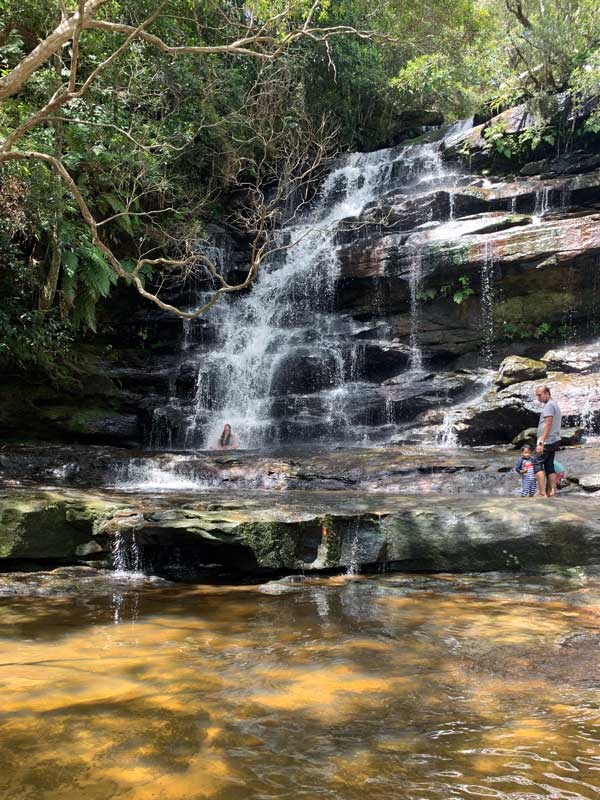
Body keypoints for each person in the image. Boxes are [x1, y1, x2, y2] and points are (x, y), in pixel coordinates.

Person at [534, 385, 562, 498]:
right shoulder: (554, 404)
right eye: (537, 395)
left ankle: (542, 493)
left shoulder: (549, 406)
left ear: (547, 393)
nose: (538, 398)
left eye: (540, 395)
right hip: (554, 439)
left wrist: (541, 441)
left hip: (548, 441)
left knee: (537, 464)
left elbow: (548, 424)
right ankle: (552, 492)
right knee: (549, 466)